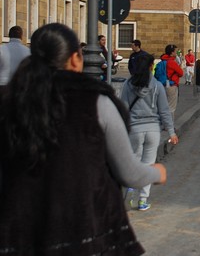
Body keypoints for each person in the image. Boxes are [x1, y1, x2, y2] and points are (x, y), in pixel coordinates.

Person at [0, 23, 166, 255]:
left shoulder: (9, 103)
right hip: (84, 233)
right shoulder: (96, 103)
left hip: (19, 235)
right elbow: (129, 172)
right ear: (76, 59)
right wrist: (157, 173)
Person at [121, 53, 179, 210]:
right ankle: (142, 200)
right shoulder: (157, 85)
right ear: (150, 66)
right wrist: (172, 132)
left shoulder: (127, 84)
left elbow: (123, 108)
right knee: (148, 164)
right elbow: (165, 111)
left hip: (134, 129)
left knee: (133, 161)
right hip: (153, 130)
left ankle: (130, 190)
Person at [158, 44, 184, 116]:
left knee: (163, 105)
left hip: (162, 84)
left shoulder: (162, 61)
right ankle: (169, 126)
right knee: (171, 107)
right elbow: (181, 73)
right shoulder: (172, 62)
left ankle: (163, 124)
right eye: (175, 51)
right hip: (171, 85)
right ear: (172, 53)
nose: (176, 53)